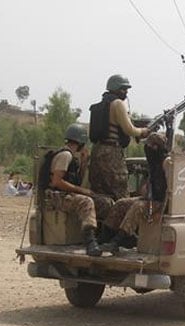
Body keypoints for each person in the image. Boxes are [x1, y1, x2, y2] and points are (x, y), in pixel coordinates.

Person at [88, 74, 151, 200]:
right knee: (120, 193)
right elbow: (129, 129)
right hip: (112, 153)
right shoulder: (117, 104)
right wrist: (143, 131)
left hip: (97, 152)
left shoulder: (100, 106)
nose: (126, 92)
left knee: (101, 193)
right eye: (123, 89)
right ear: (115, 88)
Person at [48, 124, 102, 257]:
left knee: (100, 201)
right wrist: (82, 191)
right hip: (57, 197)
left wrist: (84, 162)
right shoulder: (65, 155)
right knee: (86, 201)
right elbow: (57, 181)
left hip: (64, 196)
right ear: (81, 141)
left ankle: (99, 238)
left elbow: (76, 180)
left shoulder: (71, 156)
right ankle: (90, 242)